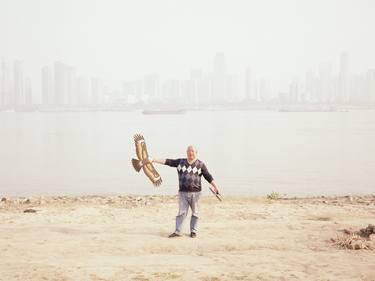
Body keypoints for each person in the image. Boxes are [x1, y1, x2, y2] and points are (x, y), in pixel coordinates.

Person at [151, 145, 220, 238]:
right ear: (186, 152)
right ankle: (178, 231)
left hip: (196, 194)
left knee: (195, 213)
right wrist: (153, 160)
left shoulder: (200, 164)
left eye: (192, 151)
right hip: (182, 193)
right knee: (181, 213)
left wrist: (215, 187)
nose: (190, 153)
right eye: (189, 151)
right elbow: (168, 161)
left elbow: (208, 176)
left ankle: (193, 231)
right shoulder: (180, 162)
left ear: (196, 153)